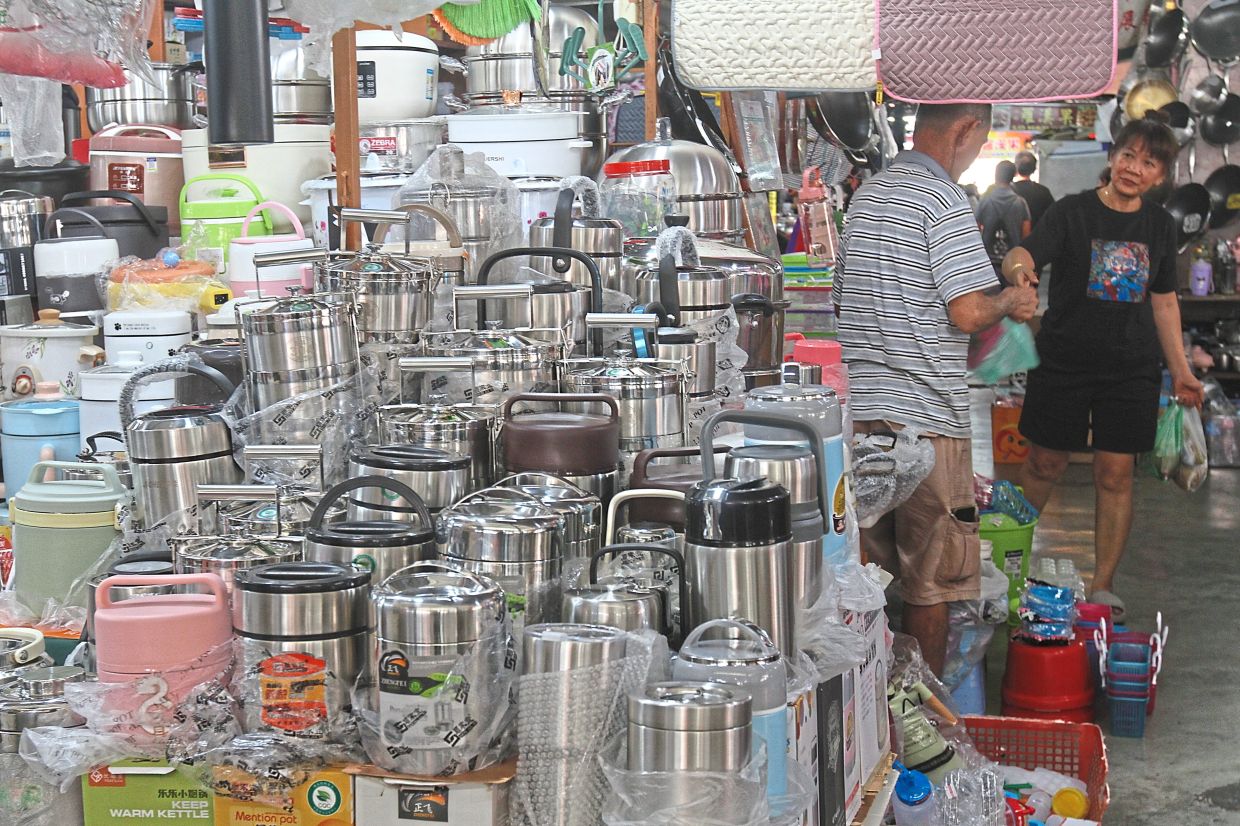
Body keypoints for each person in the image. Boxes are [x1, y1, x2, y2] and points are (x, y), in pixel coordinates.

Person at [835, 103, 1040, 674]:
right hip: (928, 425)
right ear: (968, 129)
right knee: (931, 585)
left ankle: (873, 713)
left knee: (867, 581)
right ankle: (922, 723)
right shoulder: (943, 198)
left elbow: (842, 301)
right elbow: (971, 310)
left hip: (864, 420)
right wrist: (1012, 300)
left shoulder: (866, 198)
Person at [1000, 118, 1205, 621]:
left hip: (1131, 369)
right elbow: (1025, 254)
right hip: (1064, 362)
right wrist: (1017, 271)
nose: (1136, 168)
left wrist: (1181, 370)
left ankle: (1103, 586)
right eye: (1129, 155)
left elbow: (1164, 302)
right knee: (1043, 465)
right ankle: (1002, 571)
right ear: (1113, 157)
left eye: (1150, 162)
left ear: (1160, 175)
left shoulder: (1159, 225)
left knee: (1115, 475)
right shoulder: (1072, 212)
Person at [977, 160, 1032, 275]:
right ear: (1013, 177)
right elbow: (1026, 234)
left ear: (996, 175)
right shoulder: (1020, 203)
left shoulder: (985, 201)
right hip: (1013, 263)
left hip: (988, 263)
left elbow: (974, 230)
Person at [1012, 150, 1055, 228]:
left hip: (1014, 238)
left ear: (1015, 168)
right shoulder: (1044, 191)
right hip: (1039, 237)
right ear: (1034, 169)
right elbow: (1053, 217)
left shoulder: (1009, 191)